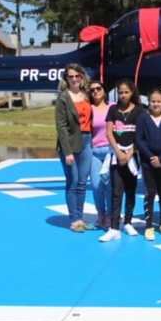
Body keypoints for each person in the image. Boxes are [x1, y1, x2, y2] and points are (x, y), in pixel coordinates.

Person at [100, 79, 143, 242]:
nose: (123, 95)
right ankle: (113, 227)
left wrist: (130, 154)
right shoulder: (112, 109)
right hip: (116, 157)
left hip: (132, 157)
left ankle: (128, 222)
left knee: (131, 190)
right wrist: (118, 153)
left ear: (132, 92)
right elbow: (109, 133)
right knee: (116, 192)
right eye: (121, 92)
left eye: (126, 92)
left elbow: (140, 135)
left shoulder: (139, 111)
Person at [135, 88, 161, 241]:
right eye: (153, 101)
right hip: (148, 164)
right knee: (150, 194)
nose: (156, 104)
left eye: (159, 101)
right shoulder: (142, 118)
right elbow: (139, 140)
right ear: (148, 102)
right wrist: (152, 157)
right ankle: (148, 226)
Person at [55, 63, 93, 232]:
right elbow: (61, 126)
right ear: (66, 79)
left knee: (83, 183)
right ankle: (74, 220)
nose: (74, 79)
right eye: (71, 76)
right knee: (73, 181)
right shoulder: (63, 98)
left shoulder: (87, 95)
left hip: (87, 141)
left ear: (82, 77)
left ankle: (81, 217)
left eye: (77, 76)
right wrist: (67, 151)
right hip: (70, 143)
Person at [87, 80, 113, 230]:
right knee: (96, 185)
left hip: (110, 151)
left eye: (98, 88)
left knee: (109, 185)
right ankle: (100, 215)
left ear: (104, 90)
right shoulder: (89, 109)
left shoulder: (112, 107)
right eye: (92, 90)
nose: (95, 91)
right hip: (94, 152)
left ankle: (110, 215)